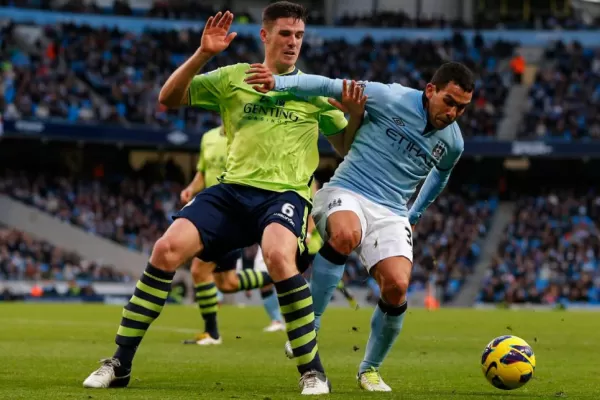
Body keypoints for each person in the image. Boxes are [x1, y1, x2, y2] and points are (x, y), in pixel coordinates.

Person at [83, 2, 364, 395]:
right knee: (166, 249)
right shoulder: (234, 77)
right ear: (264, 36)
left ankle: (312, 370)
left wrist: (351, 115)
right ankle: (120, 363)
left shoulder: (314, 88)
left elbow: (345, 145)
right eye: (285, 33)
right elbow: (169, 97)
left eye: (299, 35)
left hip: (283, 194)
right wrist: (203, 54)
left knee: (280, 256)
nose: (293, 42)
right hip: (231, 192)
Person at [245, 61, 473, 391]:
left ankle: (369, 369)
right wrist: (277, 82)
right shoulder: (390, 97)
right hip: (348, 189)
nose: (453, 113)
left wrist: (416, 212)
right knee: (345, 234)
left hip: (392, 211)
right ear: (430, 91)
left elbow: (442, 173)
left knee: (397, 287)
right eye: (449, 102)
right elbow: (328, 85)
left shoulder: (453, 143)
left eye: (462, 108)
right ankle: (309, 327)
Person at [180, 125, 284, 347]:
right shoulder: (207, 137)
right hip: (211, 213)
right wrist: (191, 188)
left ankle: (212, 333)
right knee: (228, 283)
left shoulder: (247, 132)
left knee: (199, 270)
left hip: (232, 214)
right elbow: (203, 171)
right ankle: (273, 277)